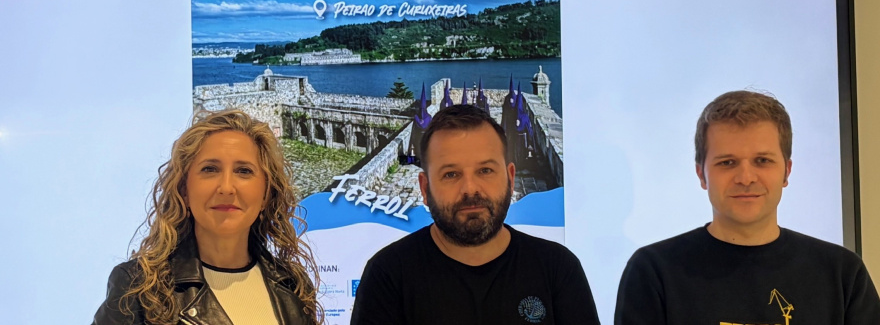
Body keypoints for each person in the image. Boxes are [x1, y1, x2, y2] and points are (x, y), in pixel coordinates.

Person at [615, 90, 880, 324]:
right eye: (727, 163)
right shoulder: (653, 272)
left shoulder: (842, 274)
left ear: (786, 172)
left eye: (762, 160)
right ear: (701, 174)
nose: (746, 178)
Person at [351, 104, 599, 325]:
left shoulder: (557, 269)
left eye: (485, 170)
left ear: (510, 179)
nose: (470, 189)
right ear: (425, 189)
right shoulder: (387, 276)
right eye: (451, 174)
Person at [93, 110, 322, 325]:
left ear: (265, 194)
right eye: (210, 169)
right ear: (184, 189)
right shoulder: (138, 289)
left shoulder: (293, 287)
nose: (226, 188)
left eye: (244, 171)